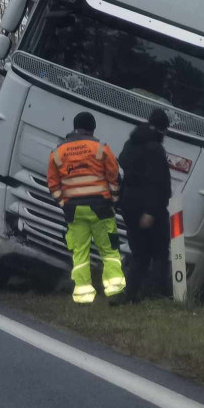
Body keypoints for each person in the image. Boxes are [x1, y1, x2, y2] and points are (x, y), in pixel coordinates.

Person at [46, 111, 126, 304]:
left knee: (80, 253)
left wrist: (64, 203)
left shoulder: (58, 152)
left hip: (74, 211)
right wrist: (114, 200)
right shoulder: (100, 148)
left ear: (74, 127)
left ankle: (83, 295)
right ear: (92, 129)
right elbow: (114, 178)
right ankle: (114, 290)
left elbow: (53, 184)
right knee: (109, 250)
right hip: (101, 209)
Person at [119, 108, 173, 304]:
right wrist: (150, 211)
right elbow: (159, 184)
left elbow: (122, 162)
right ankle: (155, 295)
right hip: (150, 209)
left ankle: (130, 295)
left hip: (128, 205)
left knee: (139, 253)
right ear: (163, 129)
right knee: (159, 252)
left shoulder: (131, 143)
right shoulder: (155, 149)